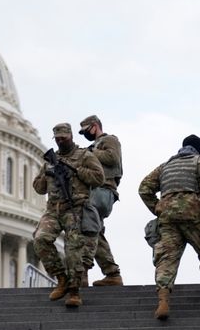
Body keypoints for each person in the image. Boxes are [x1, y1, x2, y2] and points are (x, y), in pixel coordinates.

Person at [138, 134, 200, 320]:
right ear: (199, 150)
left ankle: (163, 303)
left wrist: (158, 207)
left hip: (168, 218)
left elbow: (144, 188)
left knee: (166, 259)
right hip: (192, 215)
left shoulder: (166, 166)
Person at [33, 123, 105, 307]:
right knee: (40, 239)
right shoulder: (51, 160)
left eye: (63, 138)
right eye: (57, 139)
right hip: (53, 209)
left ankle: (74, 291)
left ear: (71, 136)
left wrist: (76, 171)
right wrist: (47, 174)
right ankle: (61, 278)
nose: (60, 141)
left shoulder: (85, 156)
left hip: (76, 209)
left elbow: (99, 178)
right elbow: (39, 188)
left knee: (73, 250)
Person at [78, 115, 123, 286]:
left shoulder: (109, 140)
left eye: (86, 131)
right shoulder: (91, 147)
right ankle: (112, 273)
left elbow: (112, 158)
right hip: (94, 191)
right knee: (96, 231)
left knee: (87, 227)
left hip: (103, 191)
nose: (85, 135)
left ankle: (82, 273)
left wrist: (89, 153)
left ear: (95, 126)